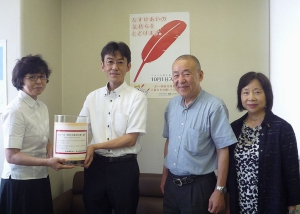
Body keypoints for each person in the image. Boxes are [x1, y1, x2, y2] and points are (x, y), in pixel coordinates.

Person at [160, 54, 237, 214]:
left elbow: (223, 150)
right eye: (176, 75)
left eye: (186, 73)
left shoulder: (214, 106)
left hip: (199, 187)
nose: (180, 80)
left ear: (200, 75)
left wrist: (219, 190)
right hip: (171, 185)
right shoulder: (172, 105)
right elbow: (169, 142)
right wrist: (164, 175)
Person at [79, 41, 147, 214]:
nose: (114, 67)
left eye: (120, 62)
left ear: (128, 66)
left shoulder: (137, 98)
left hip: (124, 169)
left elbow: (131, 139)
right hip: (96, 168)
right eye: (110, 61)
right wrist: (68, 153)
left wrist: (94, 146)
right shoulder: (92, 97)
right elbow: (79, 130)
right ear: (102, 66)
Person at [0, 55, 74, 214]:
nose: (39, 81)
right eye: (32, 77)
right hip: (20, 182)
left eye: (42, 76)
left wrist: (49, 146)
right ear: (20, 80)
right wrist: (48, 162)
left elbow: (42, 137)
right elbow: (11, 156)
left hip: (40, 177)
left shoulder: (41, 107)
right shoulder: (15, 110)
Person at [226, 72, 300, 214]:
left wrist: (292, 206)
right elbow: (229, 171)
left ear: (267, 95)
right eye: (246, 92)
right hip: (240, 204)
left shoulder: (282, 128)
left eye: (257, 92)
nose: (251, 98)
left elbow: (291, 171)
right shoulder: (234, 128)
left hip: (272, 204)